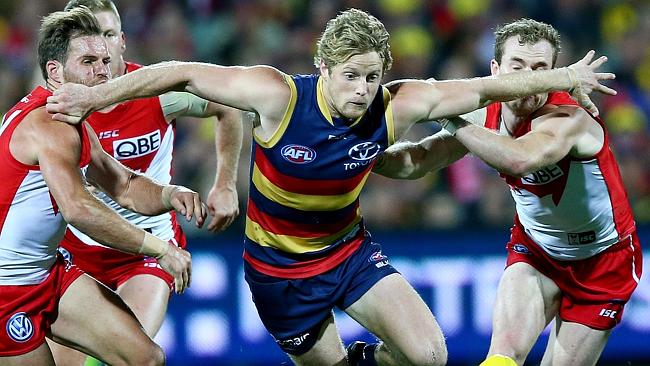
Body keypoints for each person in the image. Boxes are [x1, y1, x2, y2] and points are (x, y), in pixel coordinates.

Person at [46, 9, 616, 366]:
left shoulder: (400, 102)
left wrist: (563, 77)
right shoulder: (278, 96)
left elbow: (485, 87)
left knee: (432, 355)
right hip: (278, 273)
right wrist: (93, 99)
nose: (363, 89)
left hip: (348, 252)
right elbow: (180, 72)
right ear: (324, 69)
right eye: (350, 75)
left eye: (372, 76)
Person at [373, 18, 642, 366]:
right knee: (501, 359)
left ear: (554, 73)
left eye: (539, 68)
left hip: (603, 261)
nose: (525, 79)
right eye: (517, 66)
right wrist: (363, 155)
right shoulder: (488, 111)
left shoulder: (569, 118)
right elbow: (418, 160)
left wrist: (448, 116)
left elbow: (520, 159)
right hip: (536, 251)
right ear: (495, 68)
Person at [0, 7, 206, 365]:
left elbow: (123, 184)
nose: (103, 71)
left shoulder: (69, 117)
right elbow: (77, 208)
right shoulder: (49, 126)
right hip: (7, 290)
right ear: (55, 71)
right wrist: (161, 249)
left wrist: (170, 194)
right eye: (88, 61)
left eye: (105, 60)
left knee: (145, 358)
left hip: (49, 272)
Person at [46, 1, 243, 364]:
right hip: (78, 250)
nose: (100, 51)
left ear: (121, 41)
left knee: (130, 352)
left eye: (106, 37)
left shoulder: (158, 91)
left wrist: (225, 182)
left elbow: (227, 107)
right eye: (90, 45)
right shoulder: (57, 110)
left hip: (146, 248)